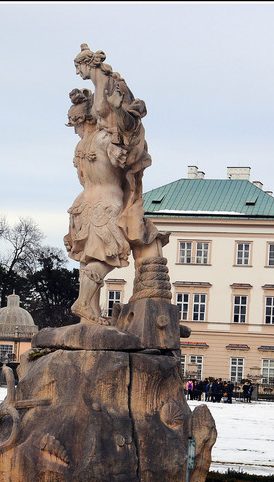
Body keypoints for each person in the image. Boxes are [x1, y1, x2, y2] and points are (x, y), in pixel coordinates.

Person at [64, 44, 169, 325]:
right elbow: (128, 146)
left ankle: (91, 315)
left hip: (82, 205)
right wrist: (123, 113)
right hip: (106, 205)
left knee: (88, 260)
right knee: (106, 259)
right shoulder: (105, 140)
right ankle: (83, 303)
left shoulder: (80, 148)